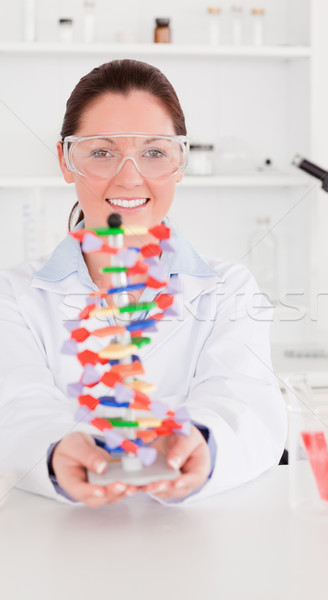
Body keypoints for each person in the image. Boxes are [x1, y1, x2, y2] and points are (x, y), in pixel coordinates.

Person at [0, 59, 287, 507]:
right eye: (101, 152)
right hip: (59, 544)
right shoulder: (13, 294)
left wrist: (203, 445)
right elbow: (15, 408)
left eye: (155, 152)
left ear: (180, 162)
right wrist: (58, 452)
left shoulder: (228, 289)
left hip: (199, 544)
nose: (130, 177)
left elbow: (247, 406)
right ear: (65, 160)